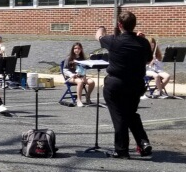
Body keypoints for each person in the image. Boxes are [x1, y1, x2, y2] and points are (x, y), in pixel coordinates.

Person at [95, 11, 154, 159]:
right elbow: (148, 59)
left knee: (119, 116)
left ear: (120, 25)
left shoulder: (113, 40)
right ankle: (143, 142)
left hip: (116, 83)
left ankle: (121, 150)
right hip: (135, 84)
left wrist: (102, 28)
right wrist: (142, 40)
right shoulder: (143, 42)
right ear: (134, 25)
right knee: (130, 114)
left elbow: (98, 35)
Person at [63, 42, 96, 107]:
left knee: (92, 82)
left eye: (79, 48)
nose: (77, 50)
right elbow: (65, 70)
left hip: (81, 76)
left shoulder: (83, 58)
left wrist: (84, 76)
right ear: (73, 49)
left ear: (81, 49)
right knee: (80, 82)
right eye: (75, 48)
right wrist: (71, 74)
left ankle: (88, 95)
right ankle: (79, 100)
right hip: (71, 77)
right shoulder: (68, 58)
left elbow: (84, 68)